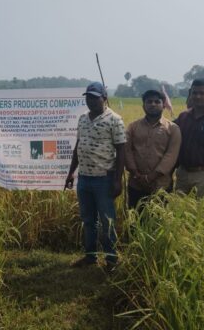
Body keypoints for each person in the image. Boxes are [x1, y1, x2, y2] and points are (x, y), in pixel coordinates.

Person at [65, 82, 126, 268]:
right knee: (88, 220)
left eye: (94, 97)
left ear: (104, 98)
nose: (90, 100)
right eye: (88, 97)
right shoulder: (83, 118)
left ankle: (111, 259)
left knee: (107, 221)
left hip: (104, 179)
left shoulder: (115, 119)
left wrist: (117, 180)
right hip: (84, 177)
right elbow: (78, 146)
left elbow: (121, 151)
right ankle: (90, 256)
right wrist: (71, 173)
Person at [125, 90, 181, 212]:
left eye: (157, 101)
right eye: (149, 101)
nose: (153, 104)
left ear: (164, 105)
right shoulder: (132, 127)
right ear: (143, 105)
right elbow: (127, 151)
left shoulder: (173, 129)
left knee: (158, 223)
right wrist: (135, 173)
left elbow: (171, 156)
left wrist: (151, 177)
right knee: (134, 221)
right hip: (136, 184)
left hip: (161, 186)